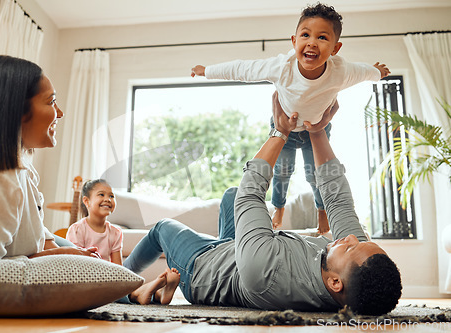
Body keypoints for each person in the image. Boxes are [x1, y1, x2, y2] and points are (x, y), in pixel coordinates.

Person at [123, 92, 402, 315]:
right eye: (359, 240)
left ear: (334, 283)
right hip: (238, 253)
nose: (350, 237)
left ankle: (123, 286)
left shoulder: (267, 274)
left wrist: (280, 132)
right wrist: (318, 134)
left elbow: (251, 193)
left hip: (202, 269)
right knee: (230, 195)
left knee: (162, 228)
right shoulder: (347, 272)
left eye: (351, 245)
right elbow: (338, 200)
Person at [0, 55, 175, 305]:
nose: (60, 112)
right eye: (51, 101)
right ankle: (134, 291)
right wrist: (53, 257)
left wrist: (58, 250)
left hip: (41, 240)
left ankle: (135, 290)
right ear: (15, 110)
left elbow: (33, 227)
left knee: (88, 257)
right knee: (99, 267)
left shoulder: (18, 166)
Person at [190, 3, 391, 234]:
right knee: (282, 171)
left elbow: (365, 72)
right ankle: (279, 207)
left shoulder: (341, 71)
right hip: (284, 128)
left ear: (335, 48)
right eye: (305, 34)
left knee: (314, 175)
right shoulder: (281, 67)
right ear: (294, 41)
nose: (312, 42)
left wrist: (377, 73)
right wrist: (207, 71)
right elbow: (242, 69)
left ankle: (322, 211)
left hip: (316, 129)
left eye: (322, 37)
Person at [67, 178, 180, 304]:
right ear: (86, 201)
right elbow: (75, 266)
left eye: (111, 196)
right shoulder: (77, 230)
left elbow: (119, 269)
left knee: (119, 286)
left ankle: (155, 294)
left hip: (110, 278)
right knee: (110, 294)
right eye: (101, 195)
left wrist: (120, 282)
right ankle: (148, 293)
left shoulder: (115, 232)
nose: (107, 199)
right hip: (87, 279)